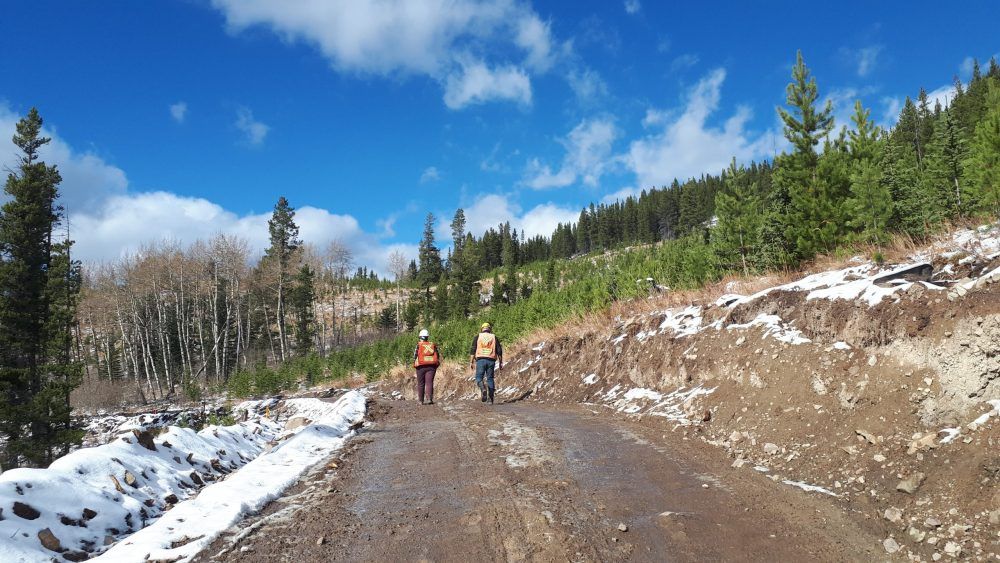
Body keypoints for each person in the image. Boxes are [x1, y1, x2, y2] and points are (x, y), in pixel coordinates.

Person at [469, 322, 503, 404]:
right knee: (490, 378)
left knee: (479, 378)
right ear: (489, 329)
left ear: (482, 329)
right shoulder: (494, 337)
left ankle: (483, 388)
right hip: (491, 360)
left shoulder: (478, 336)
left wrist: (471, 361)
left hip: (480, 360)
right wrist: (501, 361)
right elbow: (499, 350)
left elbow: (473, 349)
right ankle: (490, 399)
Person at [413, 329, 440, 405]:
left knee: (421, 383)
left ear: (420, 337)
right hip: (431, 366)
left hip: (420, 367)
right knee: (429, 382)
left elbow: (415, 355)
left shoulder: (419, 345)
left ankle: (420, 401)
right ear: (427, 337)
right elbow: (437, 355)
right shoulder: (432, 345)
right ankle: (429, 399)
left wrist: (415, 363)